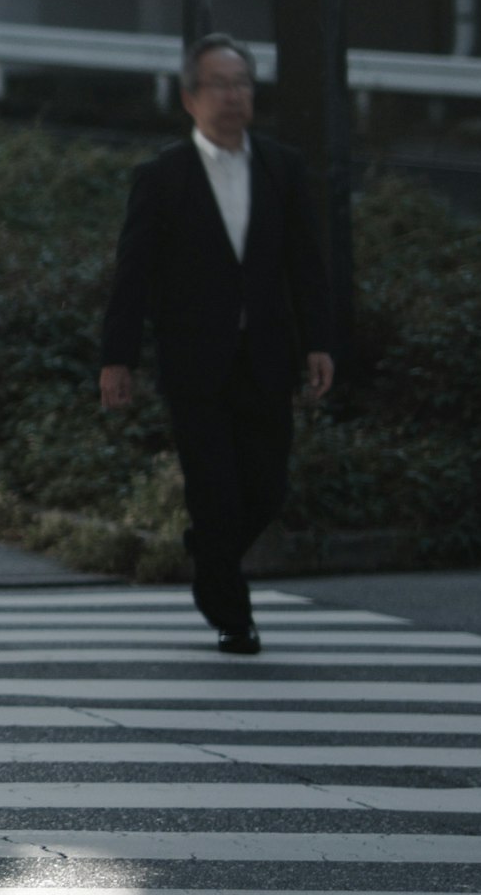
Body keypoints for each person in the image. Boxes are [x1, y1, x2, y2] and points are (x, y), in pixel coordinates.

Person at [97, 35, 334, 655]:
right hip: (194, 363)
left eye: (243, 84)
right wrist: (116, 357)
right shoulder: (162, 176)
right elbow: (134, 272)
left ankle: (209, 551)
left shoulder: (282, 167)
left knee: (266, 488)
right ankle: (233, 614)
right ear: (189, 98)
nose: (234, 97)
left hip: (266, 357)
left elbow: (306, 263)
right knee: (214, 488)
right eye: (219, 85)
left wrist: (319, 342)